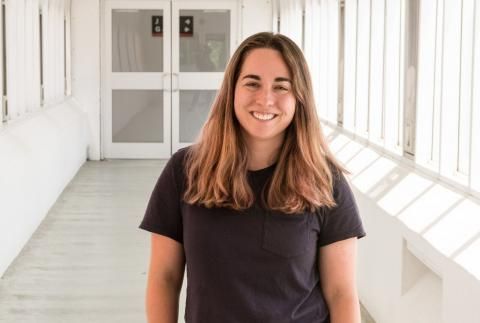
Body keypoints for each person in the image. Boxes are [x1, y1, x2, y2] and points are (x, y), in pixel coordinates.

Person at [139, 32, 366, 323]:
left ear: (299, 98)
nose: (265, 99)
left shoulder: (325, 181)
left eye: (281, 87)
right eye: (252, 83)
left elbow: (342, 293)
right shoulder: (185, 171)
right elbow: (164, 278)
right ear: (232, 90)